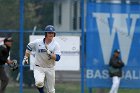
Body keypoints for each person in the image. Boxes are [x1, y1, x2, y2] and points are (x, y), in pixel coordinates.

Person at [22, 25, 61, 93]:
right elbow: (29, 47)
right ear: (46, 34)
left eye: (52, 33)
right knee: (39, 83)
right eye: (49, 33)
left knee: (51, 91)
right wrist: (26, 57)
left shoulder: (56, 44)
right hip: (39, 67)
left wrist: (51, 55)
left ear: (54, 34)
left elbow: (58, 58)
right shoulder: (38, 42)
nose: (51, 34)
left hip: (50, 68)